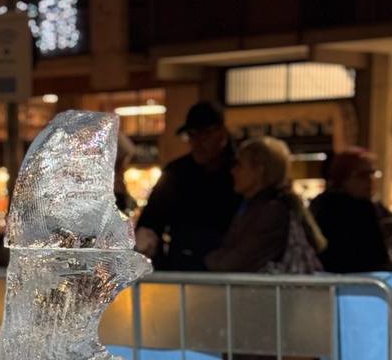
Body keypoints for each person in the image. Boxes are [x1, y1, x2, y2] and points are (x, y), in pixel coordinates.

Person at [135, 101, 240, 270]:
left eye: (204, 135)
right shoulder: (176, 172)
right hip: (181, 264)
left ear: (222, 133)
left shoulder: (240, 170)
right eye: (191, 136)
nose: (197, 142)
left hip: (228, 267)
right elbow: (150, 222)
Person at [204, 136, 325, 274]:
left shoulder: (272, 212)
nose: (233, 171)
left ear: (259, 170)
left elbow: (235, 261)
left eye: (240, 165)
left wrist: (204, 258)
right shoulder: (253, 206)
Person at [310, 148, 389, 273]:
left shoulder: (373, 206)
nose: (370, 181)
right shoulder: (329, 209)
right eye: (363, 175)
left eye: (372, 174)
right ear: (343, 177)